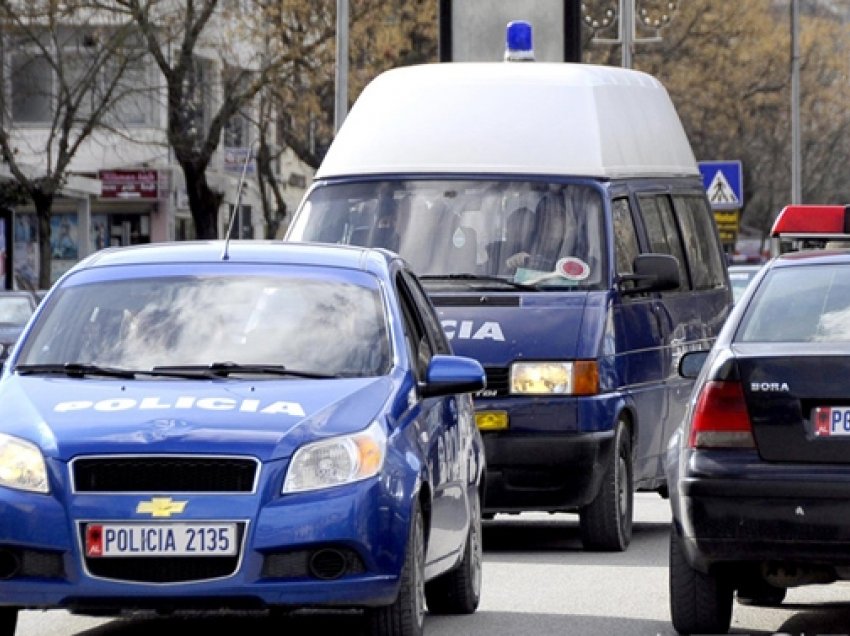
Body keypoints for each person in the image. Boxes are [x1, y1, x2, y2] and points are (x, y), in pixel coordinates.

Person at [506, 193, 568, 272]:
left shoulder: (575, 254)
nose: (549, 221)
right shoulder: (520, 249)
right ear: (538, 223)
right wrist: (512, 264)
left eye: (556, 215)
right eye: (544, 216)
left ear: (566, 223)